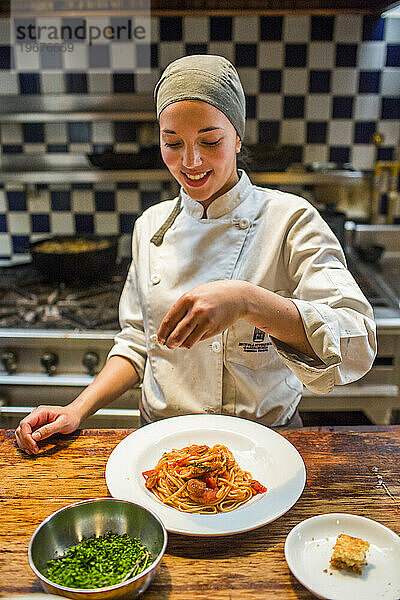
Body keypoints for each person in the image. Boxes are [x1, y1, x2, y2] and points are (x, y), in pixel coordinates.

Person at [15, 55, 377, 455]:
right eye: (172, 143)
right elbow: (139, 342)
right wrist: (77, 409)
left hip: (265, 448)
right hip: (162, 446)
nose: (191, 162)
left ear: (238, 137)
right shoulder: (149, 226)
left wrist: (246, 301)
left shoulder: (290, 219)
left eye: (210, 141)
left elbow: (355, 338)